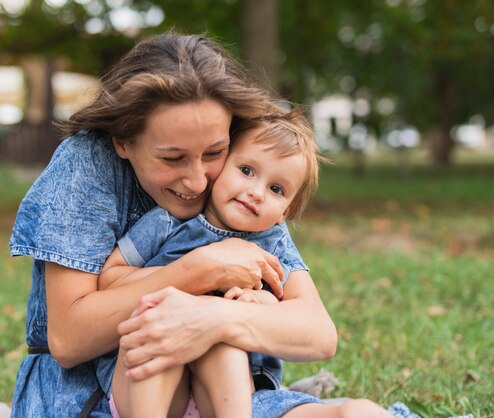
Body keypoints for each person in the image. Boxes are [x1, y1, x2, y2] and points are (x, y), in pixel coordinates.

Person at [9, 32, 386, 418]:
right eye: (173, 158)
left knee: (359, 414)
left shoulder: (243, 185)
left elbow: (318, 333)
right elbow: (69, 338)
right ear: (123, 141)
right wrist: (198, 271)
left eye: (214, 153)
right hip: (92, 396)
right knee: (161, 332)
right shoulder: (87, 163)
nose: (198, 182)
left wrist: (217, 317)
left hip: (225, 397)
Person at [98, 112, 394, 418]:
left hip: (234, 397)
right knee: (158, 315)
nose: (256, 192)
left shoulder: (272, 244)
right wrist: (189, 278)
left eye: (276, 189)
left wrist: (259, 303)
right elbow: (110, 278)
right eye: (247, 170)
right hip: (152, 389)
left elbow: (305, 320)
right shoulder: (167, 223)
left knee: (223, 338)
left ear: (285, 211)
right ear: (222, 164)